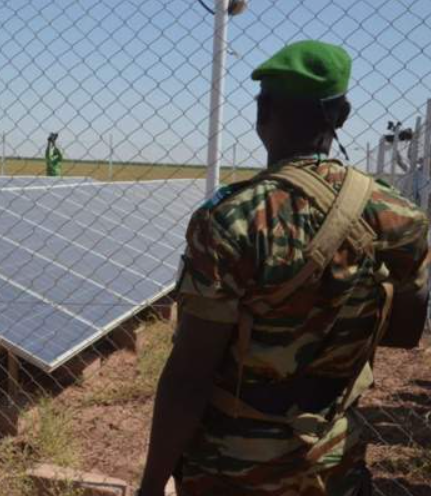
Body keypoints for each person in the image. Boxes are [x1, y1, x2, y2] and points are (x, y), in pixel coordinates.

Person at [137, 40, 430, 496]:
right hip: (332, 464)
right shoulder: (400, 216)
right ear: (342, 115)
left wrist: (152, 485)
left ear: (263, 114)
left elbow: (190, 374)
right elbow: (405, 331)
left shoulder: (230, 220)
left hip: (229, 468)